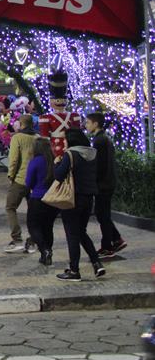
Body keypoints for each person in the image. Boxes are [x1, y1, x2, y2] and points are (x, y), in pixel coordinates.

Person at [54, 128, 105, 281]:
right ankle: (97, 263)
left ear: (71, 140)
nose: (64, 142)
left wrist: (57, 163)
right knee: (81, 232)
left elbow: (58, 175)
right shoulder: (93, 154)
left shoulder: (70, 154)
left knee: (72, 234)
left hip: (72, 198)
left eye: (65, 139)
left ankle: (74, 270)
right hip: (89, 198)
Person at [85, 113, 127, 259]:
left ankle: (109, 245)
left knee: (102, 214)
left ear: (96, 124)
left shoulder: (99, 141)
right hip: (107, 182)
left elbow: (99, 165)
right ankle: (114, 240)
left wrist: (93, 181)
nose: (86, 125)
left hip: (103, 184)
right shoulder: (103, 139)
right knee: (103, 214)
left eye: (88, 122)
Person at [4, 114, 38, 254]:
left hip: (20, 179)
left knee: (10, 207)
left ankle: (17, 239)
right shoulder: (38, 138)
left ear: (21, 124)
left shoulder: (17, 138)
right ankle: (33, 241)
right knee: (33, 211)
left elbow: (13, 159)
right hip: (35, 181)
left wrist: (11, 175)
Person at [25, 137, 58, 266]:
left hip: (38, 198)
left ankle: (44, 250)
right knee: (48, 227)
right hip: (53, 200)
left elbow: (29, 182)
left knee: (33, 226)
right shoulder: (54, 161)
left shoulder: (36, 161)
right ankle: (48, 252)